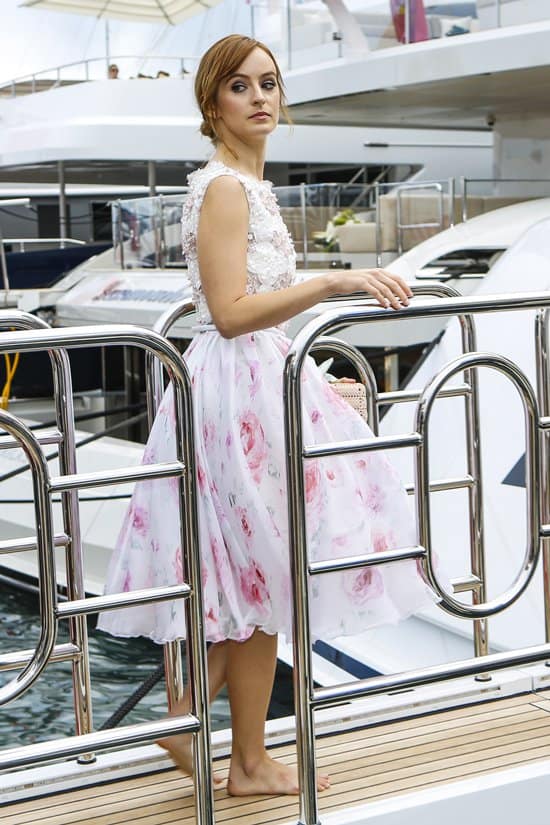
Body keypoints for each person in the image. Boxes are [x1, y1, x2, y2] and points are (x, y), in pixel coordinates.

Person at [97, 34, 438, 796]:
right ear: (212, 101)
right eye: (242, 86)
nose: (261, 98)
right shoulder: (223, 187)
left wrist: (311, 371)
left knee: (266, 574)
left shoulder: (248, 183)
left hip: (259, 380)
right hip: (234, 393)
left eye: (270, 85)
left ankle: (248, 761)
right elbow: (227, 311)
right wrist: (331, 284)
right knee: (250, 568)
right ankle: (180, 717)